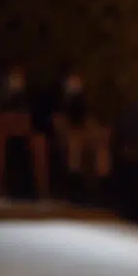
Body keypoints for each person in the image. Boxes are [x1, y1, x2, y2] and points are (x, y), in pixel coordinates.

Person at [0, 62, 50, 199]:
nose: (17, 79)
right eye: (14, 75)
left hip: (22, 132)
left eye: (20, 76)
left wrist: (18, 123)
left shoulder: (25, 96)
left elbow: (27, 120)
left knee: (39, 141)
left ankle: (43, 190)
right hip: (2, 132)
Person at [52, 66, 112, 194]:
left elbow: (89, 120)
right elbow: (59, 123)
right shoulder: (58, 99)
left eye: (77, 79)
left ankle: (102, 185)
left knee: (101, 146)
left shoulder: (84, 99)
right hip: (69, 136)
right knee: (75, 144)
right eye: (72, 79)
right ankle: (75, 184)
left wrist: (98, 131)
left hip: (84, 134)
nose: (75, 82)